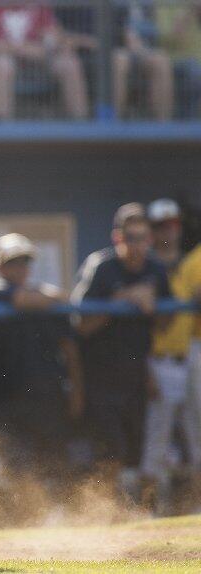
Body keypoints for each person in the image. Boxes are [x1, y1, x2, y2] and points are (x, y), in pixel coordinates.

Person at [72, 203, 171, 494]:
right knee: (109, 449)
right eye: (130, 238)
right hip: (101, 376)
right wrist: (122, 301)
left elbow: (166, 323)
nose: (136, 245)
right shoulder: (101, 267)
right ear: (118, 238)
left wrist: (151, 304)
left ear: (149, 239)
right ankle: (104, 513)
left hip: (138, 375)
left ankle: (133, 517)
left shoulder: (155, 269)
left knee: (137, 452)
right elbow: (80, 324)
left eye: (142, 238)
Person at [0, 233, 83, 494]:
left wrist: (77, 392)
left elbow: (69, 349)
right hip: (7, 399)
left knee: (55, 466)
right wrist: (51, 297)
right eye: (12, 262)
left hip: (48, 398)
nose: (19, 268)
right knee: (15, 471)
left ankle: (61, 525)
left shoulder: (49, 301)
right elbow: (26, 299)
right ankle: (22, 523)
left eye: (24, 262)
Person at [141, 199, 200, 511]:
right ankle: (148, 512)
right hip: (158, 358)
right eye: (161, 225)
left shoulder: (192, 263)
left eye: (172, 224)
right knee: (155, 444)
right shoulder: (146, 266)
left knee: (198, 438)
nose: (168, 231)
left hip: (189, 355)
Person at [0, 4, 89, 120]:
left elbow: (53, 38)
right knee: (2, 63)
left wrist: (48, 46)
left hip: (36, 66)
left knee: (69, 62)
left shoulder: (38, 4)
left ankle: (81, 124)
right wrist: (21, 48)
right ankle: (1, 133)